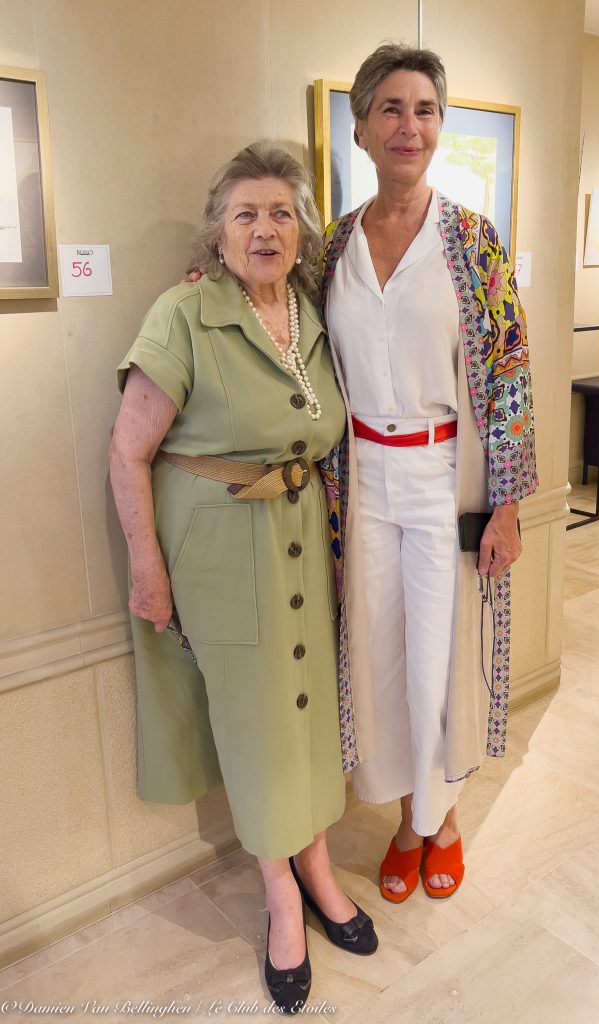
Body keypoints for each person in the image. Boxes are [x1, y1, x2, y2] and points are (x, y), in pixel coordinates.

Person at [109, 141, 377, 1016]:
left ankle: (317, 865)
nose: (266, 228)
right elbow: (127, 450)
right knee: (260, 723)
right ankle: (282, 901)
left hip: (302, 532)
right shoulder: (182, 314)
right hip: (221, 545)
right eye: (245, 213)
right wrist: (147, 569)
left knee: (307, 716)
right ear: (217, 232)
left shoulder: (309, 309)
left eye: (281, 212)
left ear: (302, 229)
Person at [319, 43, 538, 902]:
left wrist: (509, 506)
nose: (408, 126)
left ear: (438, 128)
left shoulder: (471, 240)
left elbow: (511, 373)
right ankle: (407, 810)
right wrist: (207, 277)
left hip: (446, 476)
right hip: (362, 479)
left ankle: (439, 825)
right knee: (378, 654)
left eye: (424, 110)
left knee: (443, 656)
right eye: (390, 109)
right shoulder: (330, 244)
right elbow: (275, 314)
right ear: (362, 128)